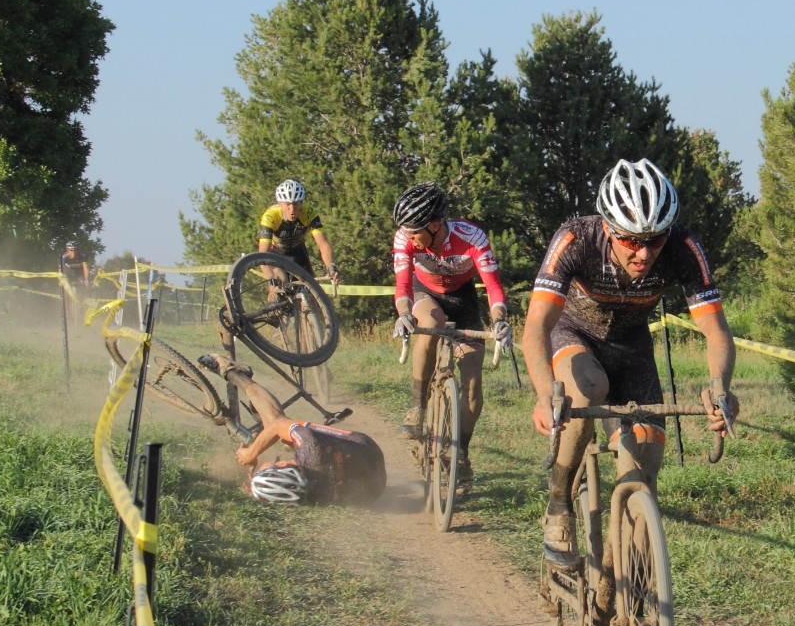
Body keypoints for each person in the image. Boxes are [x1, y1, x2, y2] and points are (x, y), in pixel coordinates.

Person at [522, 158, 740, 566]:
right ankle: (558, 501)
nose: (643, 252)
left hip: (632, 348)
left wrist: (720, 387)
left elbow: (716, 331)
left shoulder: (683, 247)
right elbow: (536, 325)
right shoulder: (576, 239)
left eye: (654, 240)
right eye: (630, 240)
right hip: (574, 335)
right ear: (608, 228)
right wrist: (544, 392)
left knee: (645, 472)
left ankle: (629, 583)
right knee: (588, 388)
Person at [390, 181, 514, 486]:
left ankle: (461, 453)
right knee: (431, 322)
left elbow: (493, 287)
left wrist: (499, 321)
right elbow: (403, 285)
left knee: (472, 382)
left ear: (434, 225)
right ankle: (417, 406)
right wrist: (404, 314)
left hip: (463, 300)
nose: (410, 237)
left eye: (415, 232)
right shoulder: (405, 237)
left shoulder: (471, 237)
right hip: (425, 294)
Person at [198, 353, 386, 505]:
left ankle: (261, 412)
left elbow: (282, 492)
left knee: (281, 435)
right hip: (366, 448)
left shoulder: (313, 496)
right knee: (275, 422)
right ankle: (233, 372)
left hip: (374, 490)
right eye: (275, 463)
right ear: (281, 466)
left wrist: (259, 487)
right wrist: (251, 453)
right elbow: (277, 425)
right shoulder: (310, 449)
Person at [258, 178, 340, 284]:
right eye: (287, 204)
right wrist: (271, 277)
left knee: (311, 288)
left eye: (295, 204)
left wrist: (331, 267)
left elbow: (323, 244)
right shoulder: (270, 216)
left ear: (301, 202)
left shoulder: (309, 213)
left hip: (298, 252)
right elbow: (263, 253)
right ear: (280, 203)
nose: (292, 209)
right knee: (280, 282)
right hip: (276, 253)